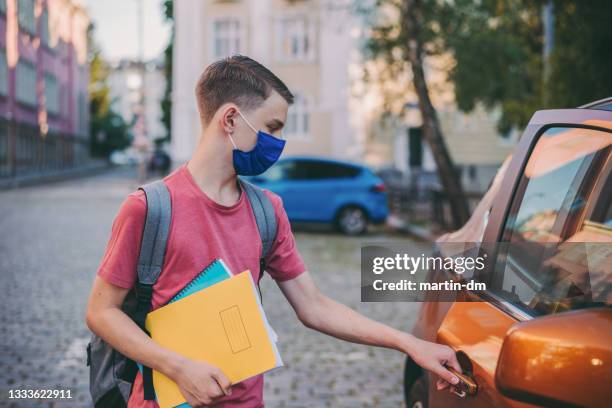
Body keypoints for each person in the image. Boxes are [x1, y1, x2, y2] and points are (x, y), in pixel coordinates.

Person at [85, 55, 461, 408]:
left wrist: (409, 344)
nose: (278, 143)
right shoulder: (149, 208)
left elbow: (314, 306)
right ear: (230, 120)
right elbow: (102, 313)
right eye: (271, 128)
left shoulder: (268, 210)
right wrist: (179, 368)